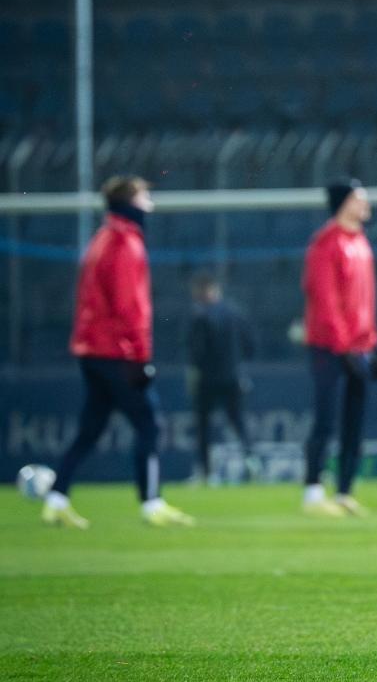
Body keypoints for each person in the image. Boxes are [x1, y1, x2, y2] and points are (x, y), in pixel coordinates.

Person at [38, 176, 194, 528]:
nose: (150, 203)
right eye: (145, 196)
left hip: (92, 349)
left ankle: (56, 498)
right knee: (149, 424)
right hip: (116, 352)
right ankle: (152, 503)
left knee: (90, 428)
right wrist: (140, 355)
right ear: (131, 201)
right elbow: (129, 306)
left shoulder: (102, 238)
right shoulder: (126, 243)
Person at [301, 179, 377, 516]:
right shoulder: (326, 243)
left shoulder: (360, 241)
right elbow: (325, 299)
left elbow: (365, 301)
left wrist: (370, 342)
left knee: (354, 422)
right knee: (326, 419)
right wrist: (344, 345)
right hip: (330, 347)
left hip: (360, 347)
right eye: (359, 198)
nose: (366, 204)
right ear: (344, 203)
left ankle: (345, 490)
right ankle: (312, 492)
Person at [186, 272, 261, 484]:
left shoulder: (200, 316)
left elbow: (196, 352)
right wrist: (239, 365)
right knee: (238, 422)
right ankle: (251, 460)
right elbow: (251, 345)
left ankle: (205, 472)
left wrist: (195, 375)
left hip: (208, 380)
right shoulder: (236, 313)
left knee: (204, 426)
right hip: (233, 377)